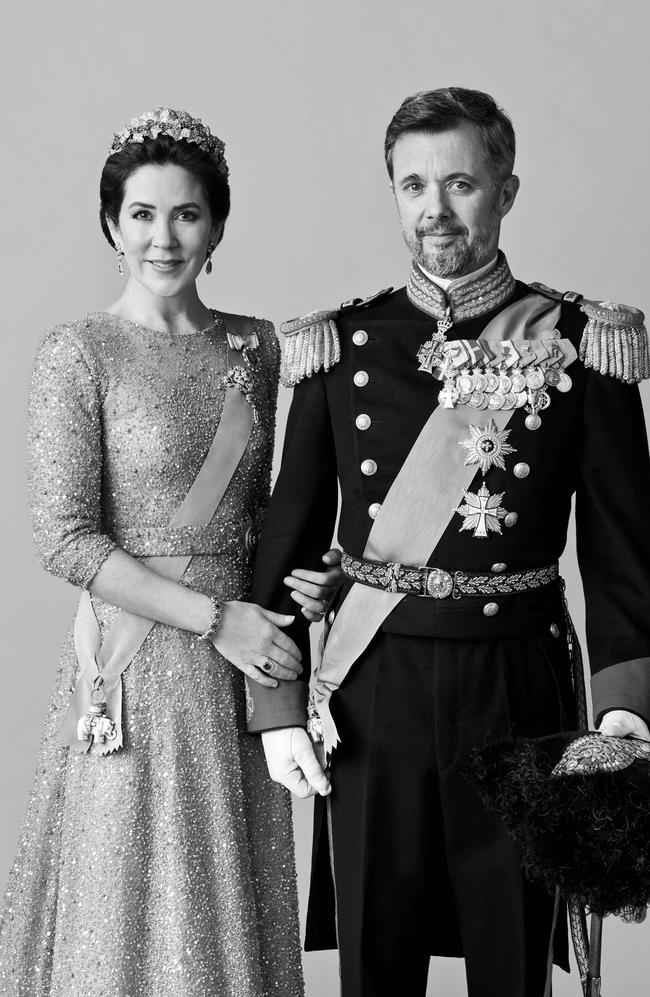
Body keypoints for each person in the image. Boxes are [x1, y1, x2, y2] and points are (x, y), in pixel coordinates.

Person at [246, 88, 650, 997]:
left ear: (506, 189)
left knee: (514, 958)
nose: (435, 209)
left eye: (460, 182)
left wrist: (625, 705)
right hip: (370, 684)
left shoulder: (581, 342)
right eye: (413, 185)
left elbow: (625, 550)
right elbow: (290, 531)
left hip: (519, 682)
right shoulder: (339, 342)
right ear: (392, 192)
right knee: (375, 959)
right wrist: (275, 705)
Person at [0, 107, 341, 997]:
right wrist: (215, 619)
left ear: (218, 225)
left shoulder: (257, 346)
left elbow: (268, 508)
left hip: (243, 673)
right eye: (142, 214)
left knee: (227, 911)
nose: (164, 236)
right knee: (130, 917)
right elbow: (64, 537)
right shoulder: (77, 353)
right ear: (112, 225)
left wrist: (319, 574)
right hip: (139, 663)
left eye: (187, 214)